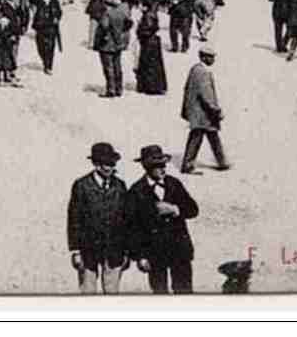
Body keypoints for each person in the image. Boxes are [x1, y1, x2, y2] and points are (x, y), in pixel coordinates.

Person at [123, 145, 200, 293]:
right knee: (159, 293)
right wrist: (140, 256)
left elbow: (193, 210)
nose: (163, 169)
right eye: (157, 166)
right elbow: (132, 227)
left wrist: (175, 209)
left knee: (184, 291)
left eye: (164, 165)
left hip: (179, 250)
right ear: (146, 167)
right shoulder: (136, 191)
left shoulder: (174, 184)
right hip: (154, 253)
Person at [67, 142, 130, 294]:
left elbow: (126, 219)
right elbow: (74, 218)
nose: (109, 167)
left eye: (112, 163)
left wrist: (127, 250)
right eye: (105, 163)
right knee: (88, 292)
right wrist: (75, 250)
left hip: (114, 250)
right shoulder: (81, 185)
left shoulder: (120, 186)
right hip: (88, 249)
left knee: (112, 293)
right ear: (96, 164)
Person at [179, 45, 229, 174]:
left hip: (197, 112)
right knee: (198, 137)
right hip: (203, 113)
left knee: (211, 136)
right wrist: (216, 110)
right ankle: (188, 165)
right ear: (203, 57)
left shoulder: (195, 69)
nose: (213, 60)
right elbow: (206, 95)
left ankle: (222, 162)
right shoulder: (203, 73)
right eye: (211, 57)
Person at [95, 0, 131, 98]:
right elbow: (129, 24)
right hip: (118, 43)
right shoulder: (121, 13)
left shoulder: (107, 14)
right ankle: (119, 89)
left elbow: (104, 26)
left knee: (108, 68)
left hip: (107, 44)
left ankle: (111, 89)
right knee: (117, 66)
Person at [134, 6, 167, 95]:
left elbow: (148, 28)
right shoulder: (151, 14)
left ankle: (150, 87)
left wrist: (140, 33)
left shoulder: (148, 15)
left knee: (149, 64)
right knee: (153, 65)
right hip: (151, 42)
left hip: (148, 42)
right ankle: (153, 86)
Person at [31, 0, 62, 74]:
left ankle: (48, 66)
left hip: (51, 26)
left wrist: (57, 18)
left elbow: (59, 11)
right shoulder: (39, 0)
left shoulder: (54, 1)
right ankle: (44, 60)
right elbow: (31, 0)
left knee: (50, 46)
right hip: (40, 26)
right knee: (40, 46)